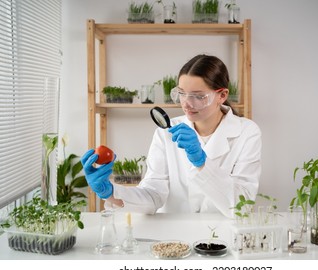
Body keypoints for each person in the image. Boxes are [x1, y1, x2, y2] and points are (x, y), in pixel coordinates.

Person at [81, 54, 262, 218]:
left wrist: (202, 163)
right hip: (172, 235)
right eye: (182, 93)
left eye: (198, 96)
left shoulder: (247, 132)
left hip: (222, 236)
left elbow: (242, 206)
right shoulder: (166, 131)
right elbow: (153, 194)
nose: (187, 103)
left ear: (222, 95)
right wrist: (111, 192)